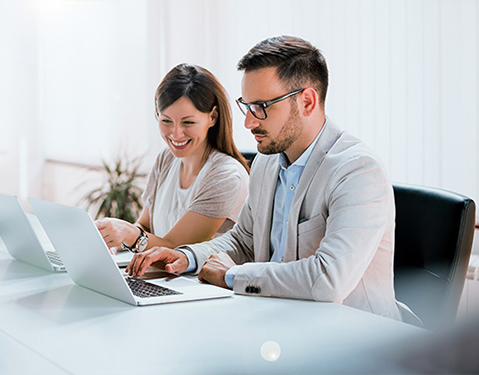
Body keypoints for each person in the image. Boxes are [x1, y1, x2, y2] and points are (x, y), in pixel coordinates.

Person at [126, 36, 403, 320]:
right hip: (277, 322)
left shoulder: (357, 171)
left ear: (307, 101)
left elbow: (328, 279)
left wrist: (233, 275)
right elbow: (243, 242)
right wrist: (187, 257)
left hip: (356, 340)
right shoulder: (267, 163)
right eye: (246, 106)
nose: (248, 122)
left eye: (262, 107)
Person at [96, 63, 250, 256]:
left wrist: (129, 234)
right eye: (166, 121)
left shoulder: (226, 176)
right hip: (159, 278)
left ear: (213, 117)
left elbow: (176, 250)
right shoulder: (167, 158)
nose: (176, 134)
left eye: (188, 122)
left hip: (198, 283)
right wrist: (115, 240)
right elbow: (145, 225)